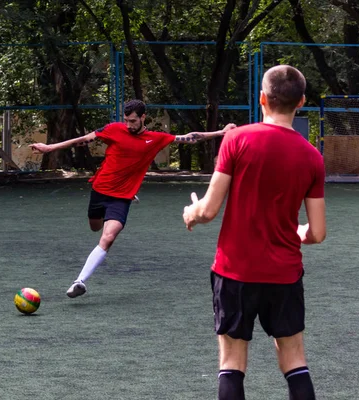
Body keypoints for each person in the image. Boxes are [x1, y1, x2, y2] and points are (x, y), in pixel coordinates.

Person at [182, 65, 326, 400]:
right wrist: (299, 231)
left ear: (262, 99)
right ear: (301, 102)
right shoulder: (312, 157)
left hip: (235, 272)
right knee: (294, 359)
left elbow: (208, 210)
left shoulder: (237, 139)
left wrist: (192, 211)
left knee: (232, 362)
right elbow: (317, 232)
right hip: (284, 274)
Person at [30, 99, 236, 297]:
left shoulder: (155, 139)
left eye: (133, 121)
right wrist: (50, 148)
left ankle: (79, 281)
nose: (128, 125)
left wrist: (220, 132)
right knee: (95, 226)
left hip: (121, 197)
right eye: (126, 120)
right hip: (100, 190)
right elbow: (83, 139)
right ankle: (113, 210)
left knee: (108, 237)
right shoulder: (114, 129)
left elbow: (191, 137)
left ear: (143, 117)